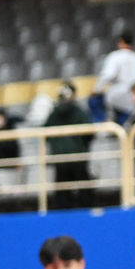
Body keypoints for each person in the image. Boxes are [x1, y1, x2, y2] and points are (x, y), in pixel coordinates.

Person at [44, 81, 93, 209]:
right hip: (78, 156)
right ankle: (87, 210)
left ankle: (62, 213)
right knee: (84, 190)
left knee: (62, 192)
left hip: (60, 158)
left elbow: (45, 132)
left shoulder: (53, 113)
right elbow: (90, 134)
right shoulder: (79, 112)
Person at [91, 31, 135, 123]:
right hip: (134, 99)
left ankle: (102, 125)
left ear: (121, 42)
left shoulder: (115, 56)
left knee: (94, 101)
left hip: (117, 97)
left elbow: (108, 75)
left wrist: (97, 89)